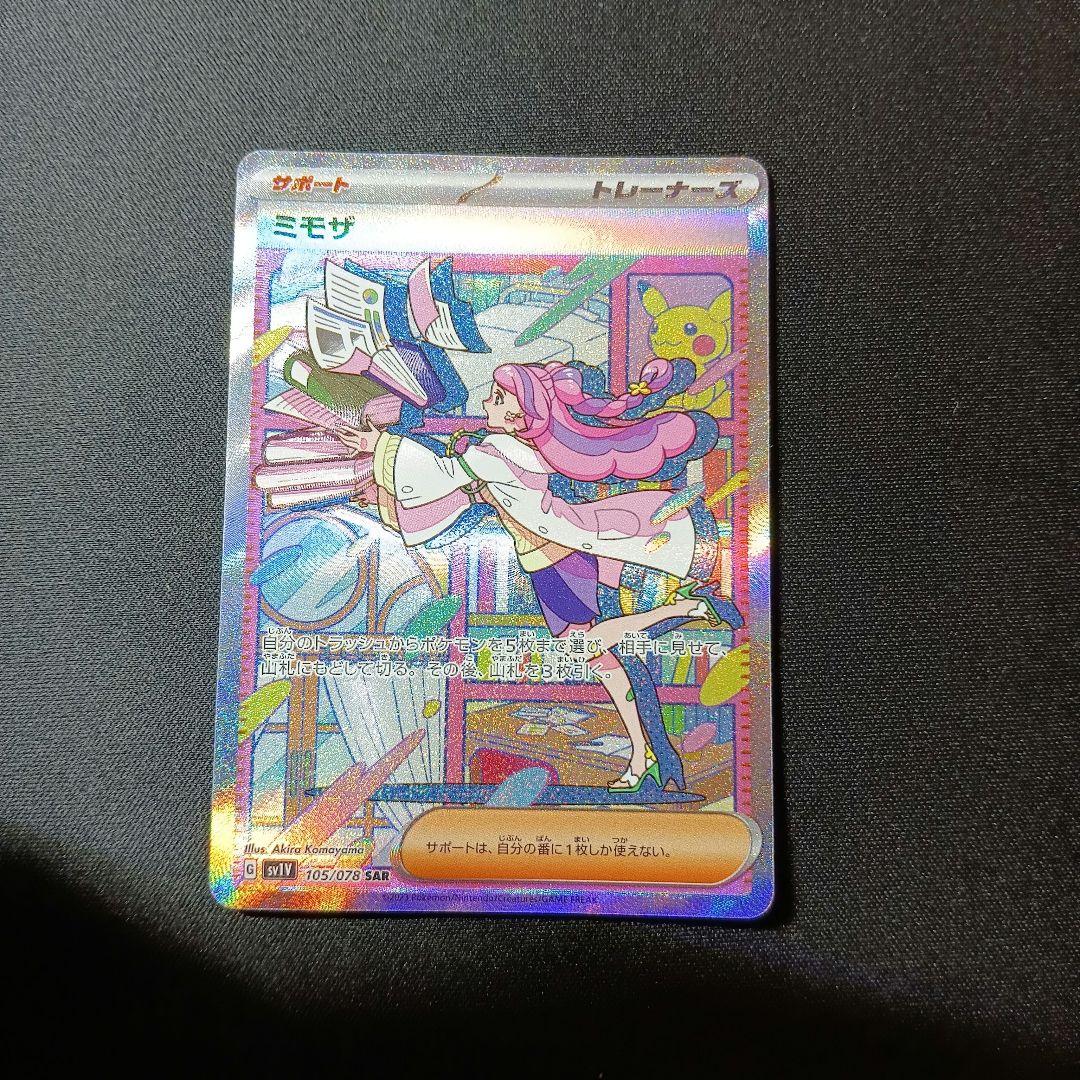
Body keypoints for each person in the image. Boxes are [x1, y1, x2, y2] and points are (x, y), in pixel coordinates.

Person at [337, 358, 741, 793]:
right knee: (605, 661)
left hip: (561, 561)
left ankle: (688, 609)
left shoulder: (498, 451)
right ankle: (645, 756)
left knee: (594, 649)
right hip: (553, 560)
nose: (487, 405)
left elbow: (439, 476)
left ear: (519, 415)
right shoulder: (508, 451)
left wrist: (380, 444)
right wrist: (386, 492)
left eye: (497, 399)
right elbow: (458, 496)